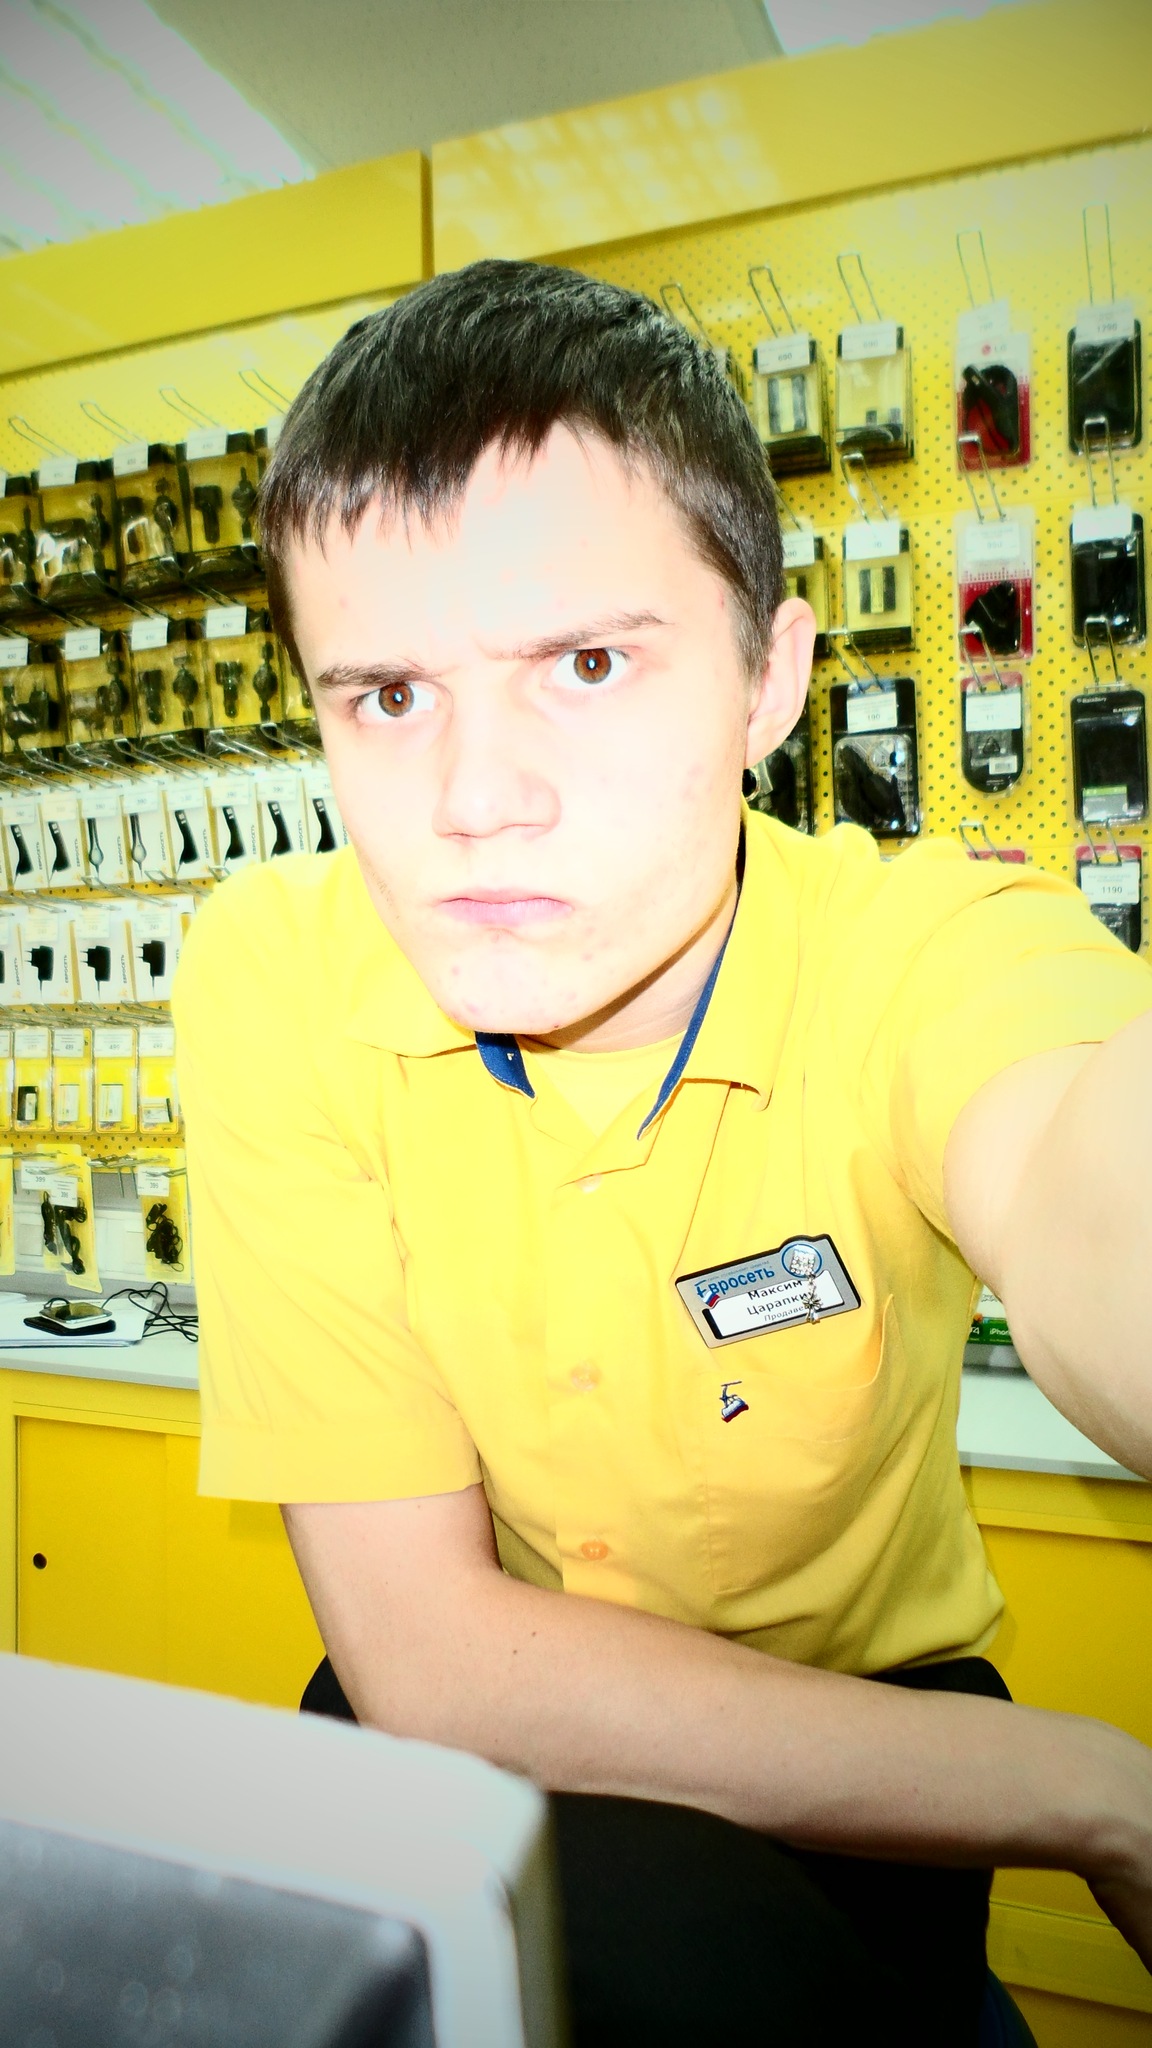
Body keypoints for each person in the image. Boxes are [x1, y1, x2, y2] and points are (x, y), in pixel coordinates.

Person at [174, 260, 1152, 2046]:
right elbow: (432, 1657)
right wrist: (1099, 1794)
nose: (475, 802)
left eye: (589, 664)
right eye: (386, 697)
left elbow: (1103, 1231)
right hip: (466, 1759)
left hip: (880, 1770)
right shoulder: (273, 967)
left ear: (770, 680)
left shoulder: (925, 955)